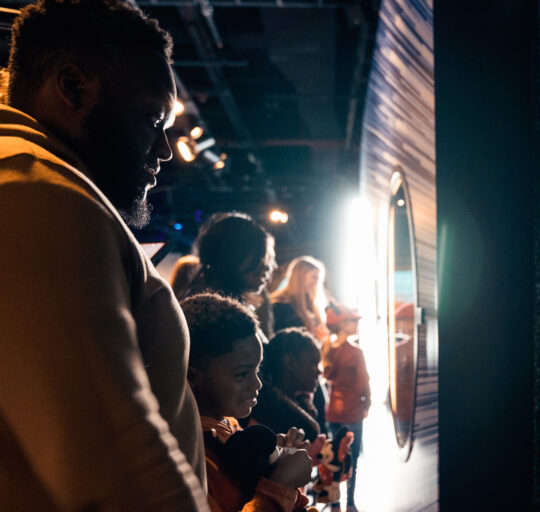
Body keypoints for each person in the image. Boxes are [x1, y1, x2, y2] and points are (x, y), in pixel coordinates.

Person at [0, 1, 207, 509]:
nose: (163, 150)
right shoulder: (37, 191)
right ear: (73, 88)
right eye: (151, 118)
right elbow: (117, 470)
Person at [180, 293, 314, 512]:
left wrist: (273, 461)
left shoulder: (228, 425)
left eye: (257, 369)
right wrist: (279, 485)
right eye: (242, 374)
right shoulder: (191, 452)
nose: (257, 384)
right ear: (194, 377)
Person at [170, 211, 277, 339]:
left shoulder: (218, 301)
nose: (267, 267)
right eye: (259, 257)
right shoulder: (212, 310)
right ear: (233, 256)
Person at [271, 256, 330, 432]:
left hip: (308, 368)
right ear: (300, 277)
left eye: (318, 278)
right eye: (313, 277)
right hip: (292, 373)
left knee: (318, 409)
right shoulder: (281, 306)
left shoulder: (311, 305)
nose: (316, 283)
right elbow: (284, 342)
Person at [323, 301, 371, 512]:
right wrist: (366, 403)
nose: (355, 325)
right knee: (350, 458)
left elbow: (326, 375)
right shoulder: (354, 351)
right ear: (343, 325)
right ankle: (350, 502)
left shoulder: (329, 349)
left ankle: (334, 503)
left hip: (334, 411)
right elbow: (364, 382)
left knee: (333, 457)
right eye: (352, 321)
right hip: (352, 412)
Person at [248, 328, 324, 443]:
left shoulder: (301, 404)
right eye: (314, 362)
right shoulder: (259, 419)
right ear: (290, 362)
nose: (319, 371)